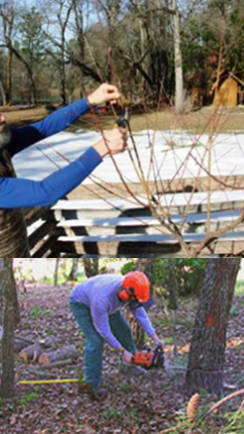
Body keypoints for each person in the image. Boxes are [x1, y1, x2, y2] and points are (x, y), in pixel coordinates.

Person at [0, 83, 126, 208]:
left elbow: (44, 128)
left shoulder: (3, 142)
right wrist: (101, 149)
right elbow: (44, 193)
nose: (2, 118)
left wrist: (90, 101)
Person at [69, 270, 165, 400]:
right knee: (95, 341)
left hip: (109, 306)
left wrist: (155, 337)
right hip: (81, 302)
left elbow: (140, 314)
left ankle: (129, 366)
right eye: (133, 300)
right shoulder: (101, 298)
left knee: (124, 331)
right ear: (125, 293)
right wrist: (122, 351)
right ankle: (91, 384)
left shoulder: (131, 288)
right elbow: (103, 330)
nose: (133, 303)